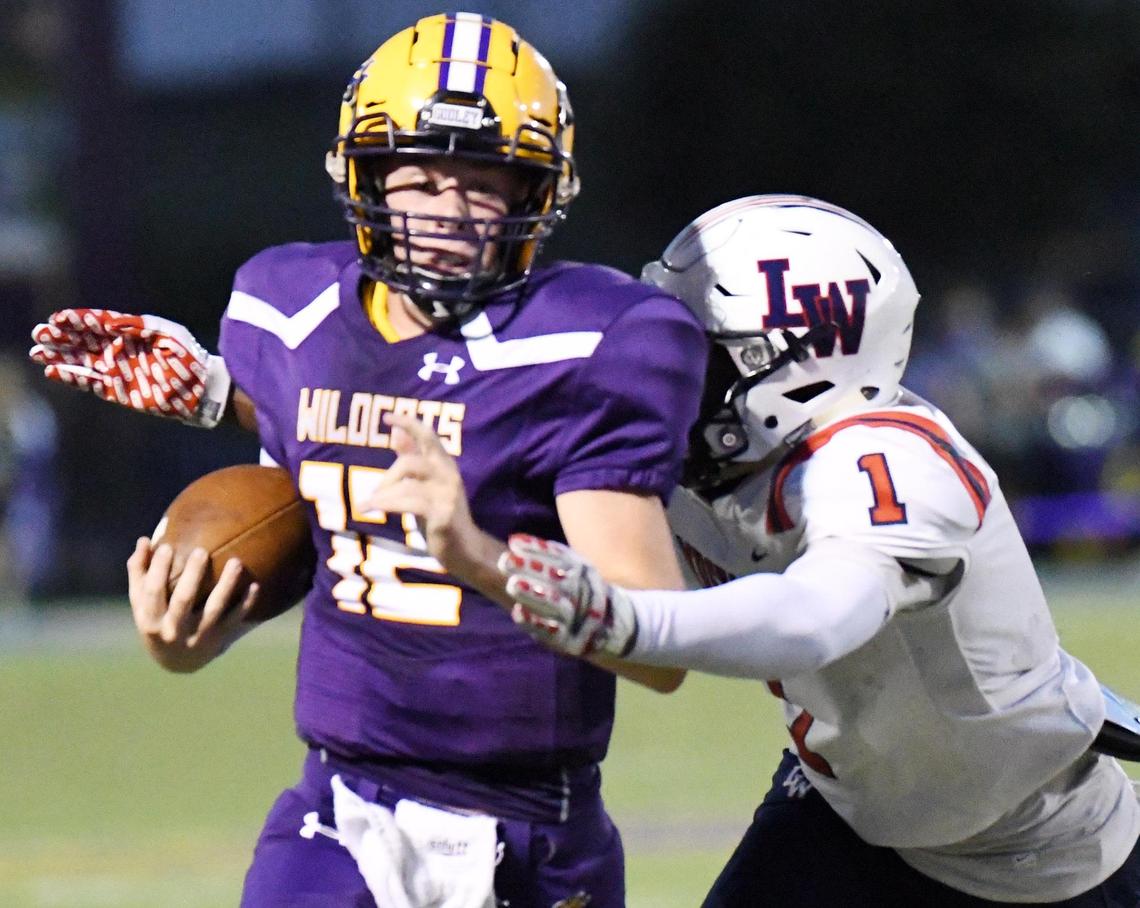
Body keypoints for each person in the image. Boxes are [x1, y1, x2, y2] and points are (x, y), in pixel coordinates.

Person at [28, 12, 705, 906]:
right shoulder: (289, 312)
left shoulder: (587, 346)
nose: (446, 213)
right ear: (363, 176)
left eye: (483, 183)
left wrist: (481, 556)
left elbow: (655, 641)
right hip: (339, 806)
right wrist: (215, 397)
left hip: (527, 832)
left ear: (540, 194)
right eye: (419, 177)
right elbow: (338, 424)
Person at [497, 196, 1140, 906]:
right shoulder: (719, 458)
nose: (661, 380)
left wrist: (629, 620)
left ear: (798, 361)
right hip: (847, 807)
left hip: (1037, 851)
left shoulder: (884, 463)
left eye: (692, 357)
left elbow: (813, 618)